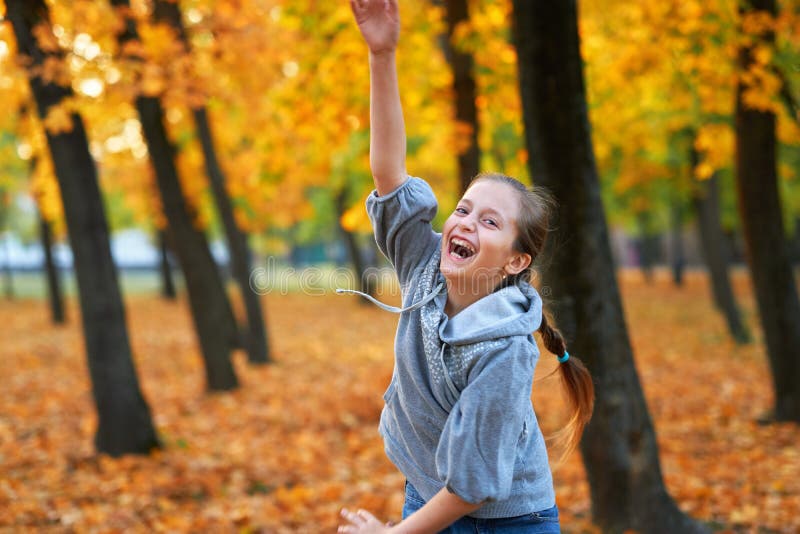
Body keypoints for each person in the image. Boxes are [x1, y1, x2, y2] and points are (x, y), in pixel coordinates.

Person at [338, 1, 594, 532]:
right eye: (463, 210)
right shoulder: (423, 267)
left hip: (503, 520)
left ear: (516, 261)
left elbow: (472, 488)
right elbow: (389, 173)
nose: (465, 224)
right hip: (429, 491)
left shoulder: (506, 350)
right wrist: (381, 54)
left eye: (490, 222)